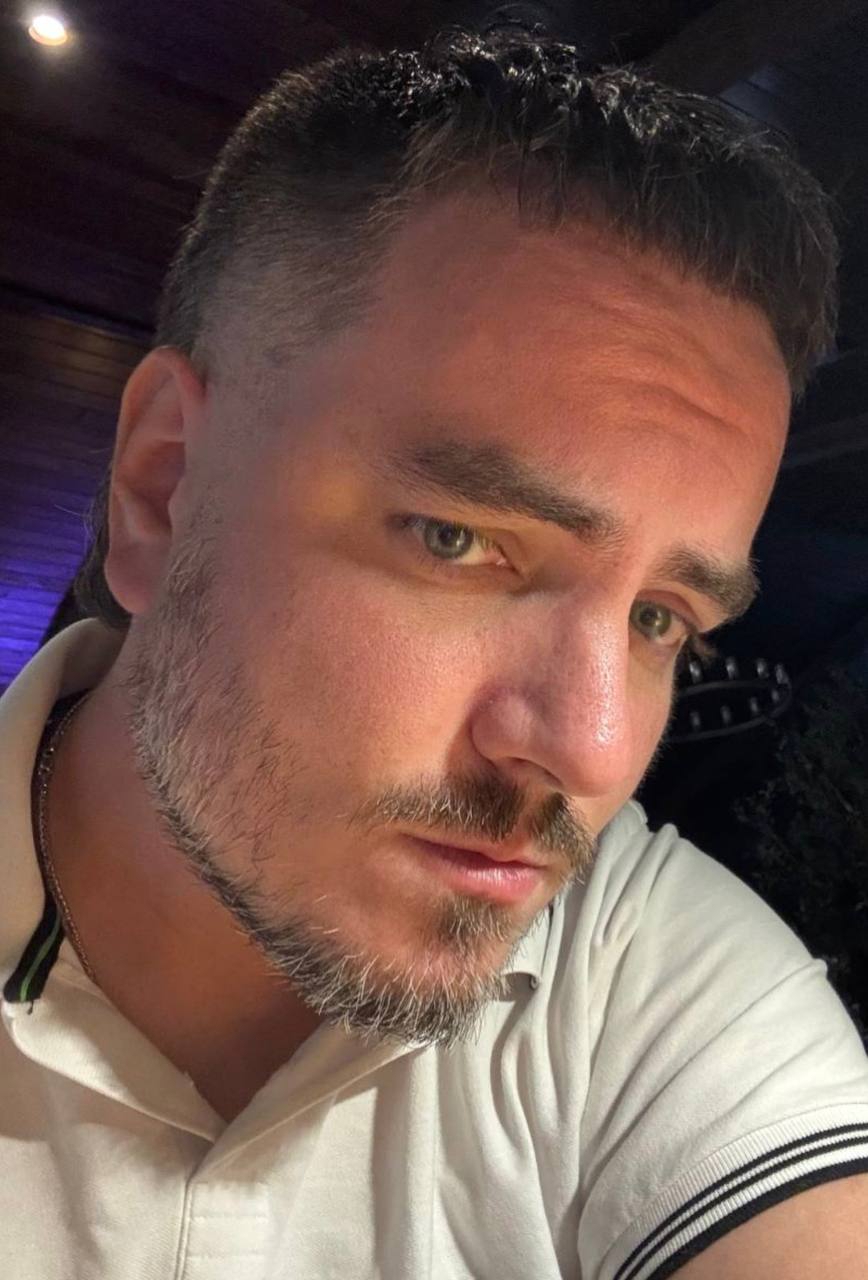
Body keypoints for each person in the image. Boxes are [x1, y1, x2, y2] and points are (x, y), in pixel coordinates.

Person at [1, 25, 866, 1280]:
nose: (591, 751)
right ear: (163, 486)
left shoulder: (656, 982)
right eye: (460, 540)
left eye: (659, 618)